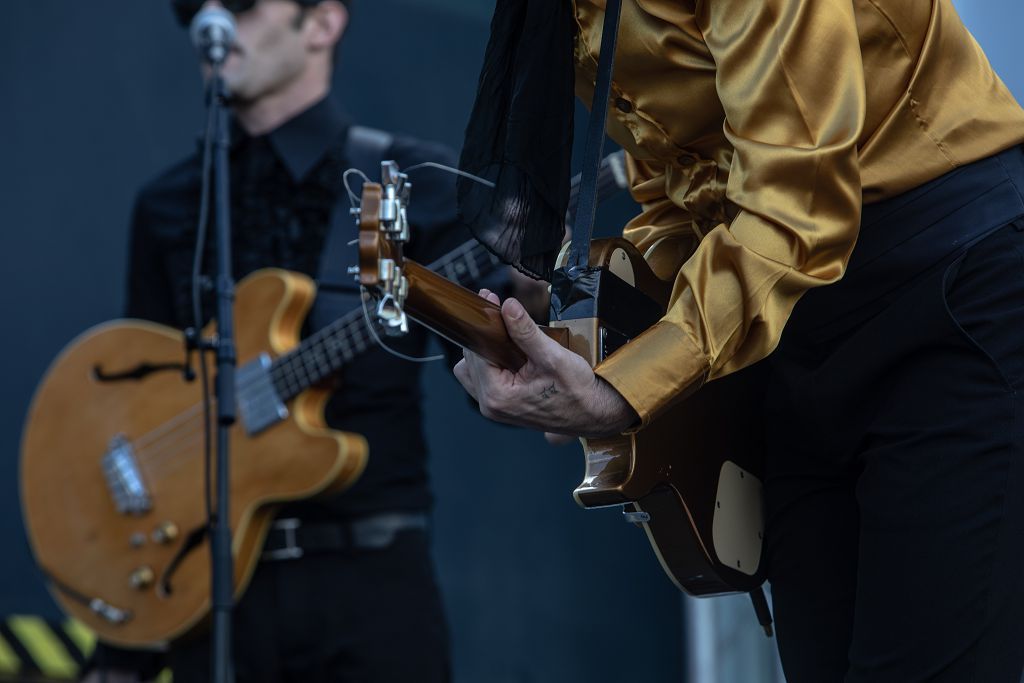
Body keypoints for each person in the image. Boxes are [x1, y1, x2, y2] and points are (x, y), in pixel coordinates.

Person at [453, 1, 1024, 681]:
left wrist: (627, 384)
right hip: (791, 327)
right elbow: (681, 195)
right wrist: (590, 346)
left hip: (946, 298)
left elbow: (795, 206)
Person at [86, 0, 468, 680]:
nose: (212, 18)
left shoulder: (393, 184)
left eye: (241, 3)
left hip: (370, 591)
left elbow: (501, 339)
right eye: (194, 6)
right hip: (217, 593)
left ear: (321, 23)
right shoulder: (168, 206)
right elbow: (141, 405)